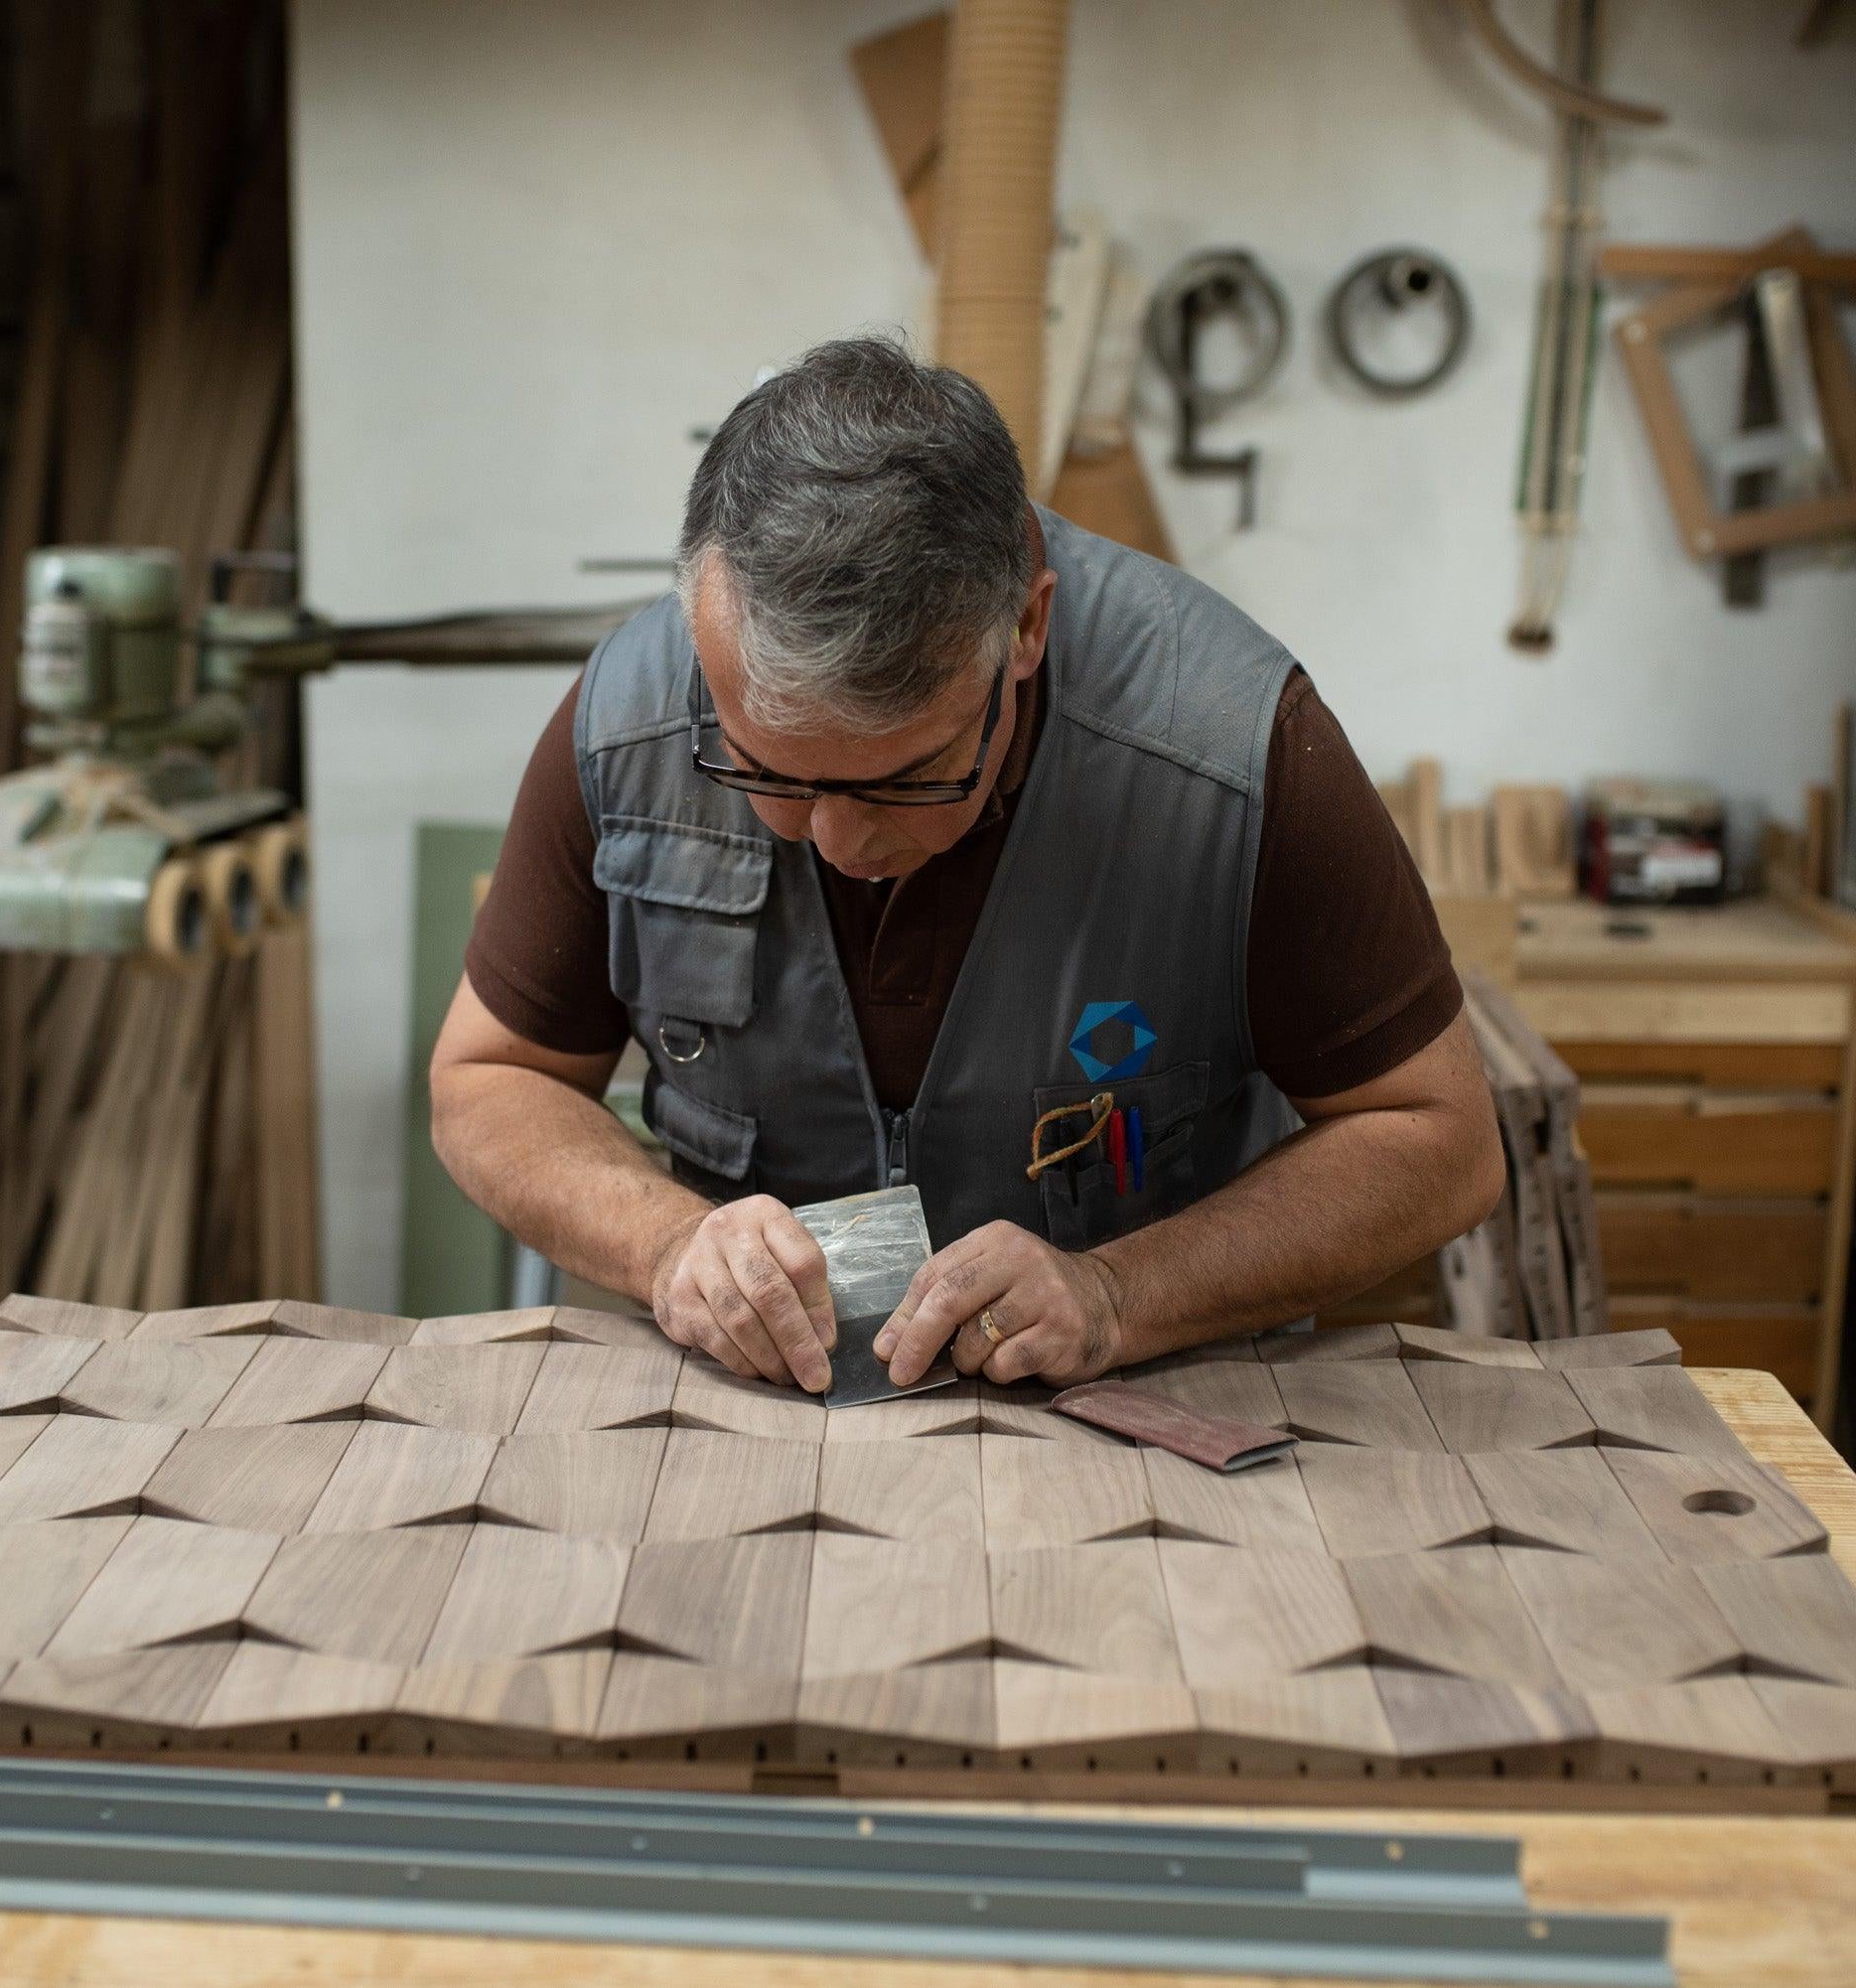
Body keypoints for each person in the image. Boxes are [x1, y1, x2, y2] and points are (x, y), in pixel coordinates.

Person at [431, 335, 1501, 1395]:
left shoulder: (1230, 753)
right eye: (768, 773)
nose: (839, 843)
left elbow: (1439, 1139)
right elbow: (489, 1079)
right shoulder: (632, 720)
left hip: (1139, 1430)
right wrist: (666, 1244)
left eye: (909, 779)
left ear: (1026, 627)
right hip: (753, 1420)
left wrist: (1120, 1293)